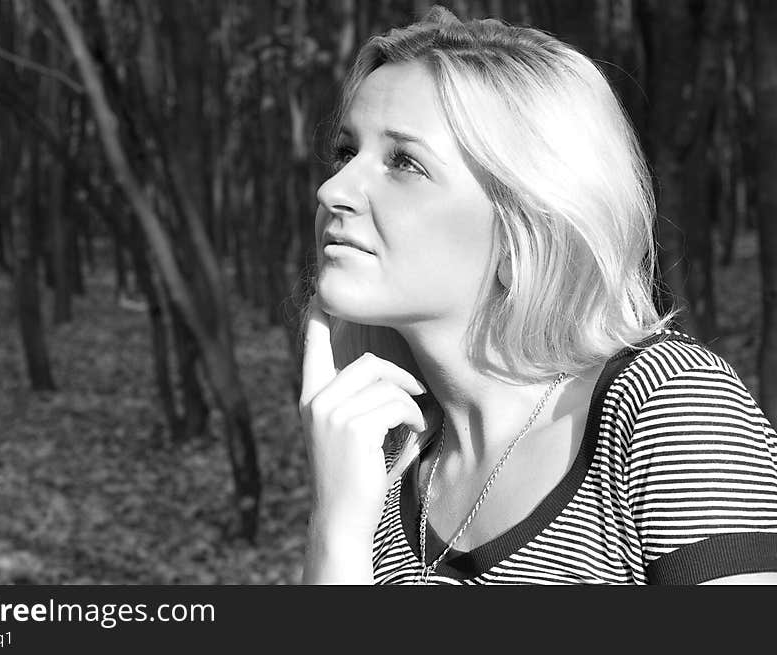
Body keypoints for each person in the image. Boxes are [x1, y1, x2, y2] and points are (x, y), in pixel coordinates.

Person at [297, 6, 777, 585]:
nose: (334, 188)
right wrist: (337, 529)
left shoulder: (665, 406)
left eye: (404, 162)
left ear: (524, 223)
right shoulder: (377, 474)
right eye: (348, 152)